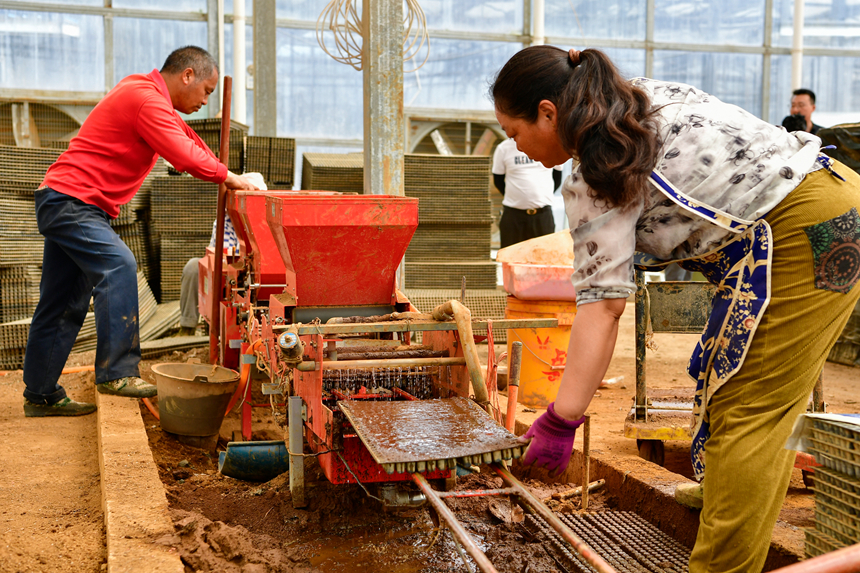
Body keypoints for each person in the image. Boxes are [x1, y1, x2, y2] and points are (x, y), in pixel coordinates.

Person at [491, 46, 860, 572]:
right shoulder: (635, 101)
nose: (517, 145)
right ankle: (722, 502)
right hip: (832, 198)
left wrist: (560, 420)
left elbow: (603, 308)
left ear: (548, 113)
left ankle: (722, 562)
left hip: (803, 232)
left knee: (750, 408)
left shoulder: (595, 174)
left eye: (514, 132)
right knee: (721, 374)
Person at [23, 45, 258, 417]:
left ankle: (40, 394)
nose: (206, 101)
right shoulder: (145, 99)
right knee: (118, 265)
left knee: (64, 301)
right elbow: (182, 155)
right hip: (72, 203)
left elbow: (188, 140)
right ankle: (117, 372)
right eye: (207, 91)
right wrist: (229, 177)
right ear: (187, 75)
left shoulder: (146, 94)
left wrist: (224, 172)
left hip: (68, 201)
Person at [492, 137, 563, 248]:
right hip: (513, 217)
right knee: (511, 260)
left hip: (542, 217)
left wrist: (540, 196)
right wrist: (517, 197)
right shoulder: (503, 148)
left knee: (543, 260)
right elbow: (498, 180)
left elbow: (557, 178)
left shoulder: (551, 144)